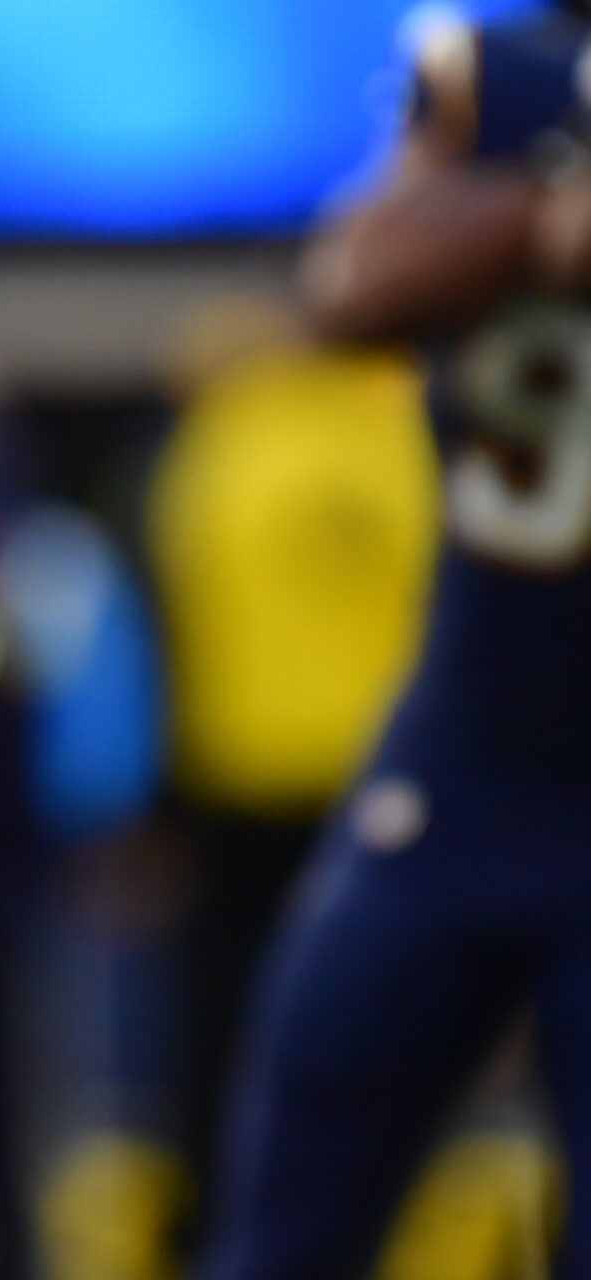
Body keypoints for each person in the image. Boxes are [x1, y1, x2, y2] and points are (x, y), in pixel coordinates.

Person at [199, 5, 591, 1276]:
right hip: (467, 758)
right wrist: (540, 221)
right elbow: (352, 283)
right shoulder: (497, 75)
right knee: (286, 1216)